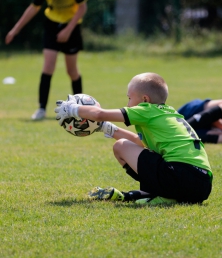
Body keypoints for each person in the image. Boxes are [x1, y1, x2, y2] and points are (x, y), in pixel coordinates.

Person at [55, 72, 213, 205]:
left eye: (129, 98)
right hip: (203, 185)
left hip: (180, 176)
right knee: (126, 146)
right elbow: (139, 143)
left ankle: (157, 194)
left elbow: (98, 114)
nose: (127, 103)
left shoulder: (146, 110)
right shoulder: (167, 112)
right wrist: (106, 128)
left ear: (145, 100)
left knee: (121, 146)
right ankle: (161, 194)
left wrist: (72, 109)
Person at [5, 0, 87, 120]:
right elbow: (34, 7)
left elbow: (82, 7)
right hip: (52, 25)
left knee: (72, 71)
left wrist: (68, 30)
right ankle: (41, 109)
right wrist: (15, 30)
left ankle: (80, 108)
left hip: (72, 26)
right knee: (48, 67)